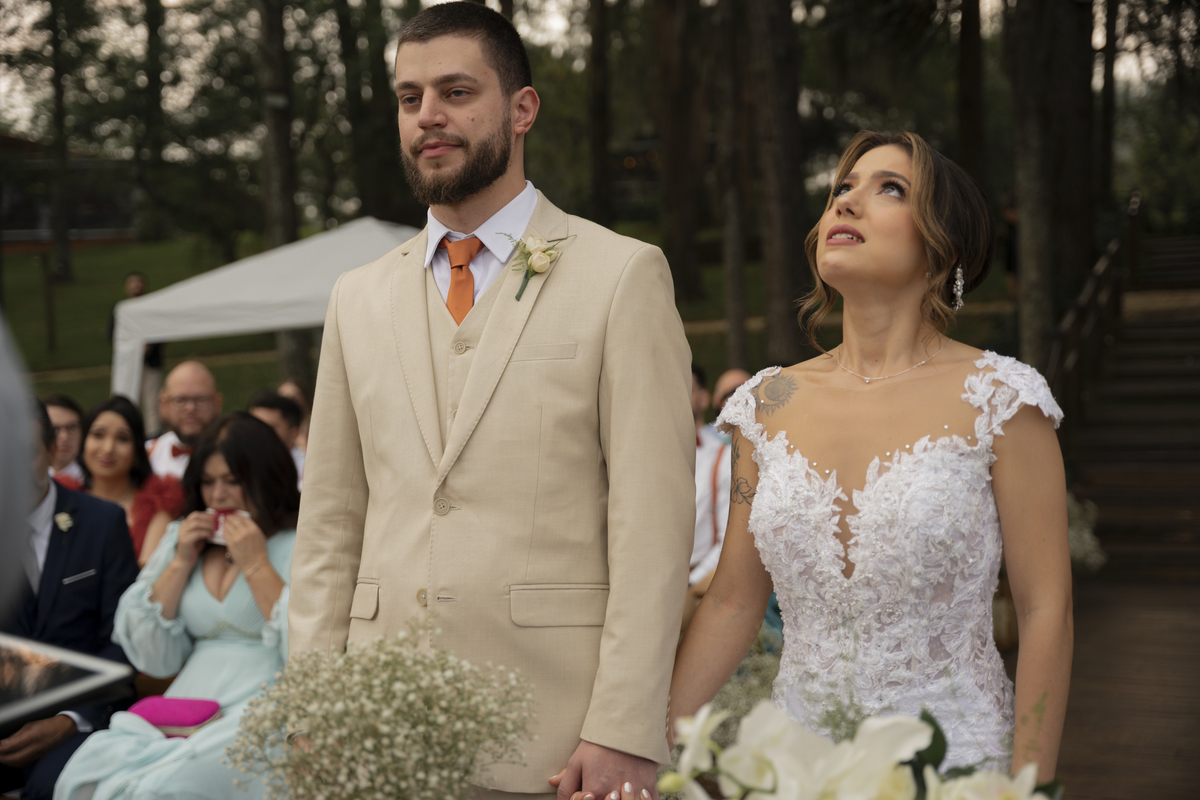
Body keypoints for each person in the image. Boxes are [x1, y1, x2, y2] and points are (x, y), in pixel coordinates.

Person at [288, 5, 694, 800]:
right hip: (377, 734)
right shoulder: (355, 297)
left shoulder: (622, 274)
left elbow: (652, 523)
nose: (427, 116)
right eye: (409, 98)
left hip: (556, 740)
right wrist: (314, 707)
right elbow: (330, 521)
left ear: (522, 109)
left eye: (456, 91)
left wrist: (624, 726)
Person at [669, 131, 1073, 781]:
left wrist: (1030, 786)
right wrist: (648, 745)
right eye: (842, 188)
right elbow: (732, 603)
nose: (847, 202)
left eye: (890, 189)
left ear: (943, 245)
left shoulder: (1003, 401)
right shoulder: (764, 406)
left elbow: (1044, 610)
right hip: (798, 767)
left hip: (955, 767)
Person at [54, 413, 300, 800]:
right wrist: (181, 561)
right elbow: (154, 658)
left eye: (233, 481)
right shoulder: (183, 537)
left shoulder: (299, 541)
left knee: (161, 787)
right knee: (86, 770)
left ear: (267, 478)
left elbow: (309, 640)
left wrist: (255, 563)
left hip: (265, 701)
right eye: (208, 482)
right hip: (185, 703)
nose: (218, 496)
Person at [1, 400, 139, 800]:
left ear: (52, 451)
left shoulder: (102, 523)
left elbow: (123, 639)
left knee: (53, 788)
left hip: (78, 720)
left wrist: (70, 718)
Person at [78, 396, 184, 565]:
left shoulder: (156, 509)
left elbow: (147, 578)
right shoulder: (63, 501)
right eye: (98, 435)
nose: (108, 448)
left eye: (122, 438)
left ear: (137, 451)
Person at [108, 273, 165, 435]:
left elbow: (161, 332)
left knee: (151, 403)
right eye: (132, 283)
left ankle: (153, 435)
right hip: (129, 364)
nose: (135, 286)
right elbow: (113, 335)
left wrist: (149, 347)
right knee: (127, 401)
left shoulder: (152, 309)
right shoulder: (121, 310)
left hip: (150, 363)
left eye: (138, 282)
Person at [145, 362, 223, 481]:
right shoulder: (146, 456)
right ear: (164, 404)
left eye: (201, 399)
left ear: (217, 403)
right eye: (180, 400)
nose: (190, 408)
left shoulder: (237, 453)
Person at [247, 390, 305, 489]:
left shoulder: (308, 473)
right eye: (254, 426)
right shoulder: (235, 466)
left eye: (269, 428)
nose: (258, 434)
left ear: (294, 434)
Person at [42, 395, 85, 486]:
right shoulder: (21, 478)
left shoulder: (96, 481)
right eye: (54, 429)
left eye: (72, 427)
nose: (64, 437)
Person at [275, 380, 310, 452]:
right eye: (284, 398)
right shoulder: (273, 431)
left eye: (295, 398)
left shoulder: (317, 426)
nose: (290, 403)